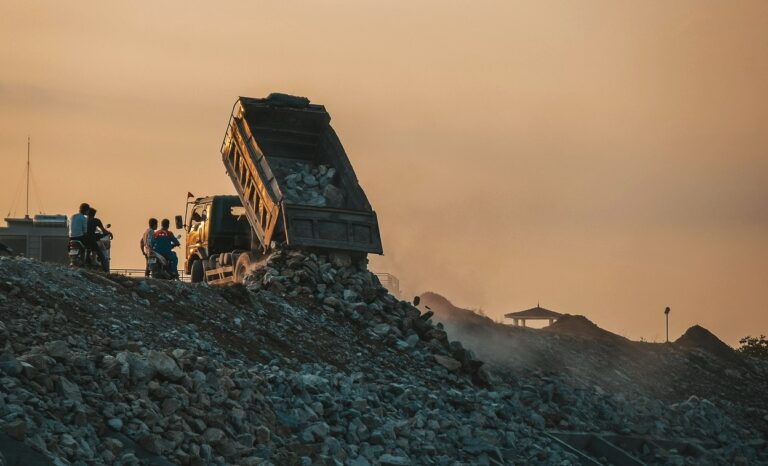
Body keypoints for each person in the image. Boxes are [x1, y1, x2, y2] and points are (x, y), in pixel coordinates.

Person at [85, 208, 111, 272]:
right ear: (94, 214)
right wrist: (109, 233)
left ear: (87, 213)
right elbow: (103, 230)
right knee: (102, 256)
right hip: (91, 239)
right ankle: (106, 271)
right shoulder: (96, 221)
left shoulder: (84, 220)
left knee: (88, 249)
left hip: (83, 239)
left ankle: (87, 260)